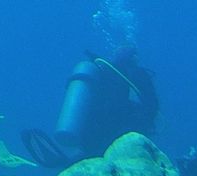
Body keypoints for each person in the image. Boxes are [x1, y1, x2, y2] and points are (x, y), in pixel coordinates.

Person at [22, 47, 159, 169]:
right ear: (133, 58)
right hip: (120, 137)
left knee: (87, 159)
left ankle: (65, 162)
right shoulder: (137, 74)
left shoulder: (101, 72)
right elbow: (152, 106)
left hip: (90, 136)